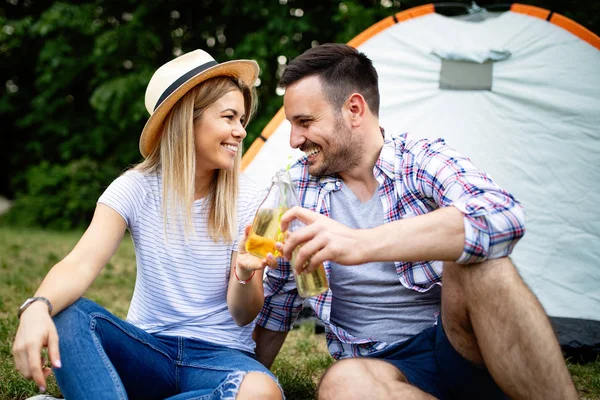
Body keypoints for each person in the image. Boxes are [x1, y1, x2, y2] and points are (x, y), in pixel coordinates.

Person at [253, 43, 578, 400]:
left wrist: (361, 243)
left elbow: (502, 214)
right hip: (376, 365)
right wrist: (248, 380)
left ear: (354, 109)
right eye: (291, 125)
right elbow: (279, 300)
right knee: (341, 385)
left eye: (305, 122)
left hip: (458, 343)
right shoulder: (295, 190)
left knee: (482, 264)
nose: (294, 139)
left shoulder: (419, 160)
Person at [12, 49, 283, 400]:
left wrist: (245, 273)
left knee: (262, 393)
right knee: (68, 312)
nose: (241, 132)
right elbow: (80, 263)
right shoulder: (135, 187)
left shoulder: (255, 197)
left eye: (242, 120)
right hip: (146, 351)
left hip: (220, 359)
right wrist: (37, 306)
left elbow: (243, 314)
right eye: (229, 117)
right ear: (187, 119)